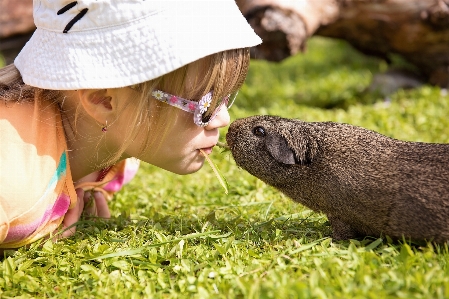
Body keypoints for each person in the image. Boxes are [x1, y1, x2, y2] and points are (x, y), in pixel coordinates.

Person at [0, 0, 261, 248]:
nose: (223, 119)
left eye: (226, 96)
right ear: (104, 100)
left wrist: (75, 185)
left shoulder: (115, 153)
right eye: (204, 105)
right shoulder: (14, 186)